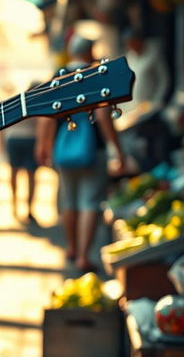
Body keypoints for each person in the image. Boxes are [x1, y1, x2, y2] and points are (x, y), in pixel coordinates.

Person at [36, 33, 125, 273]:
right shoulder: (96, 75)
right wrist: (118, 151)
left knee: (69, 200)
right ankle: (84, 256)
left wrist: (43, 146)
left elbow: (46, 116)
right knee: (90, 202)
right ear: (89, 52)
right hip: (92, 149)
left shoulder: (59, 75)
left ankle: (72, 247)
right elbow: (102, 116)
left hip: (63, 148)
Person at [118, 27, 172, 170]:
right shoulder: (130, 57)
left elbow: (163, 79)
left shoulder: (153, 54)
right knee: (134, 143)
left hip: (150, 107)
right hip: (133, 109)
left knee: (152, 142)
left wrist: (158, 101)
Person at [3, 82, 41, 223]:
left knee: (14, 173)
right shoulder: (39, 102)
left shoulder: (16, 101)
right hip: (30, 140)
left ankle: (14, 205)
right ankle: (29, 209)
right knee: (31, 176)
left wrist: (2, 144)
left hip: (13, 140)